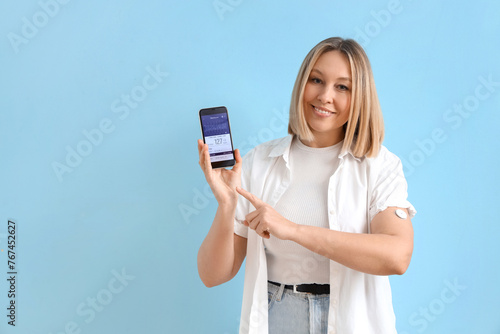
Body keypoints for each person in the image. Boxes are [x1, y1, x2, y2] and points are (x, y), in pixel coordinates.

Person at [197, 37, 416, 334]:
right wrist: (226, 206)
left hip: (354, 319)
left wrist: (294, 231)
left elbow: (397, 255)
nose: (325, 96)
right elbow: (213, 275)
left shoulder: (379, 166)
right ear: (302, 84)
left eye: (343, 87)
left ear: (360, 97)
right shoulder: (259, 162)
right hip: (280, 315)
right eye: (317, 80)